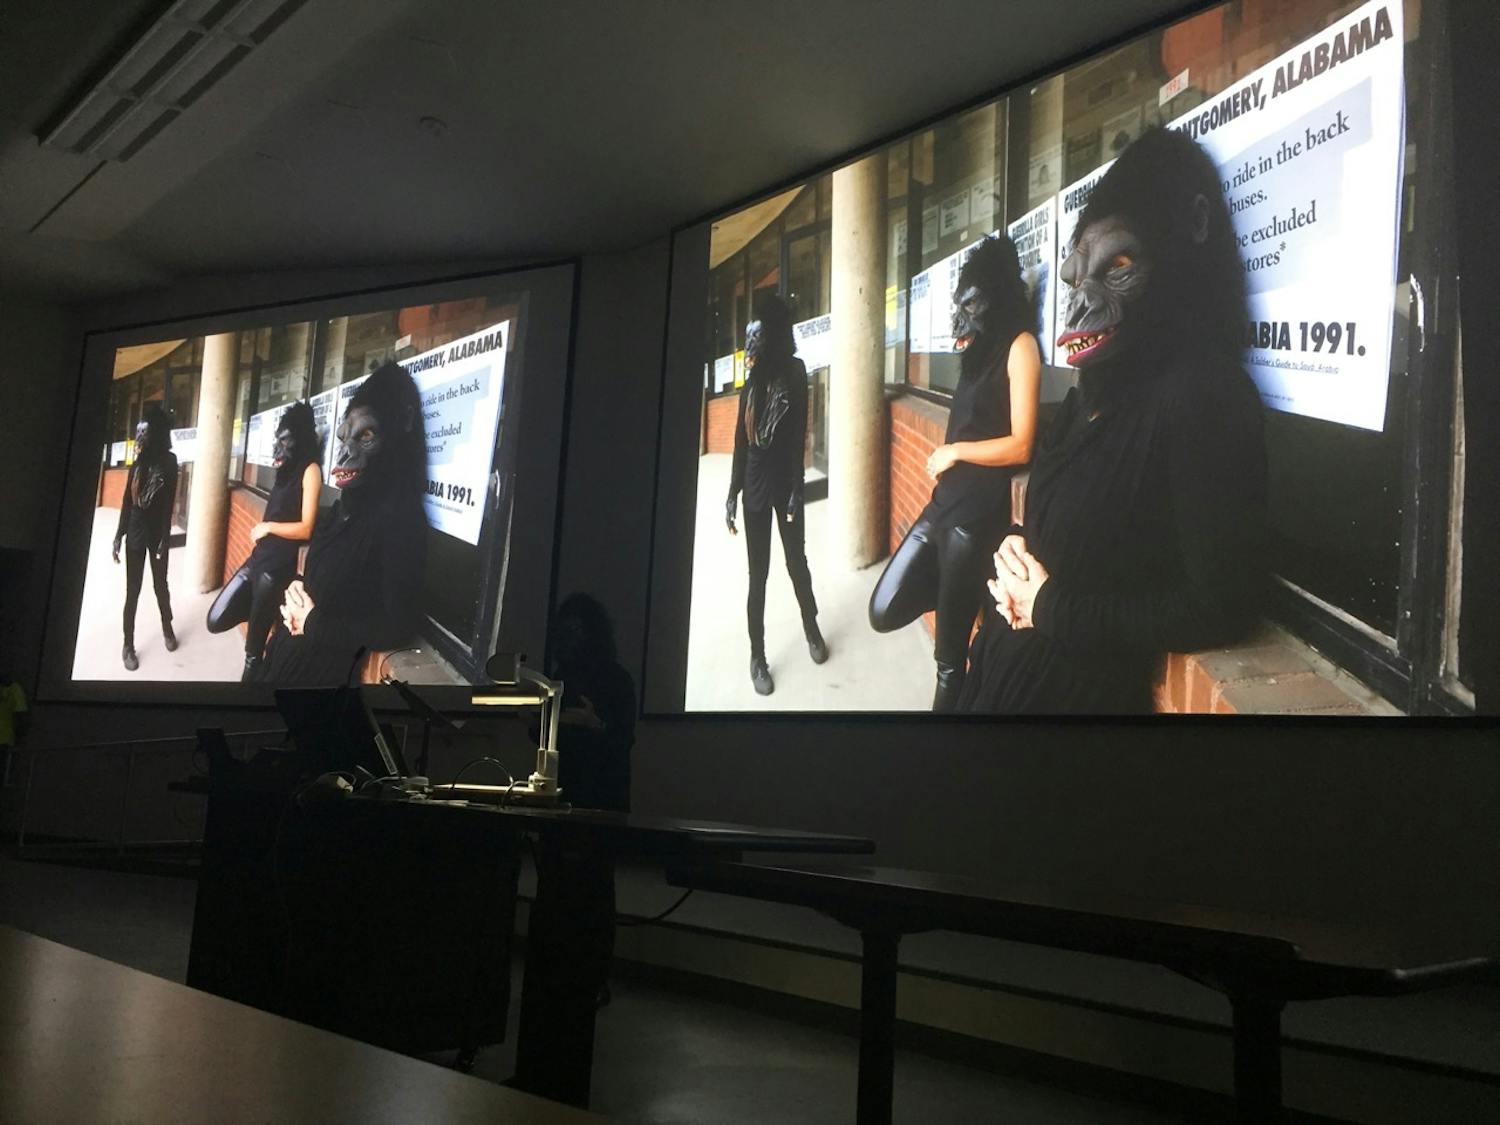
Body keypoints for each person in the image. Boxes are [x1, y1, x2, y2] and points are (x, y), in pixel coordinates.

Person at [960, 128, 1267, 714]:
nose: (1079, 302)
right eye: (1078, 279)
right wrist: (1013, 558)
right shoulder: (1090, 395)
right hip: (1004, 671)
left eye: (1118, 269)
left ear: (1192, 232)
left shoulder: (1204, 394)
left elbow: (1220, 603)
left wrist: (1048, 606)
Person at [868, 236, 1041, 710]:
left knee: (948, 663)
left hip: (974, 519)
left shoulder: (1020, 347)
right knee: (883, 609)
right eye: (958, 303)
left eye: (972, 303)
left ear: (999, 296)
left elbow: (1023, 442)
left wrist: (955, 452)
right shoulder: (976, 352)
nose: (960, 317)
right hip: (942, 505)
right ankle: (959, 596)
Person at [253, 362, 427, 685]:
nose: (345, 454)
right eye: (346, 438)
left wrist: (312, 622)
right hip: (285, 656)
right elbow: (330, 574)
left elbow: (399, 624)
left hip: (315, 681)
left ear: (400, 428)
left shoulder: (399, 518)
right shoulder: (344, 507)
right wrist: (299, 585)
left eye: (366, 436)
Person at [725, 293, 826, 697]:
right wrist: (732, 491)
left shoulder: (796, 372)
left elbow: (799, 434)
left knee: (796, 562)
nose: (753, 343)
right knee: (758, 575)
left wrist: (797, 490)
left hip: (785, 483)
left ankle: (812, 627)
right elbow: (739, 441)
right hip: (753, 484)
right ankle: (757, 655)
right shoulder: (751, 381)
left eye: (760, 334)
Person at [206, 401, 322, 680]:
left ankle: (247, 699)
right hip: (257, 559)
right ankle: (266, 613)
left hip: (275, 568)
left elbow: (307, 528)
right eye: (277, 439)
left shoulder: (311, 470)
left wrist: (268, 526)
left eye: (285, 440)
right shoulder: (286, 470)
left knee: (252, 655)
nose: (278, 447)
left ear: (301, 439)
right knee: (216, 619)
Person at [113, 406, 179, 672]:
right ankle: (127, 644)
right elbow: (127, 502)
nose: (139, 435)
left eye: (144, 431)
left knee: (160, 585)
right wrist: (119, 535)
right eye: (138, 430)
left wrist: (165, 537)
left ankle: (167, 627)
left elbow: (169, 504)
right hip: (136, 530)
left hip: (157, 532)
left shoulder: (170, 461)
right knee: (133, 590)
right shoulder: (137, 462)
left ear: (157, 432)